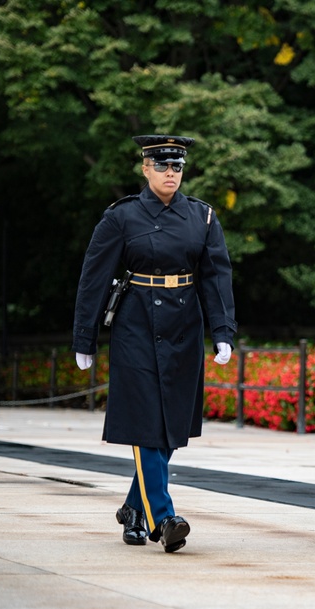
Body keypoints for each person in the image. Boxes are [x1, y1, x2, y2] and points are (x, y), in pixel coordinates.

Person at [72, 134, 237, 553]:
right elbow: (94, 279)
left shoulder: (201, 216)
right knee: (146, 421)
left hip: (184, 324)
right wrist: (85, 337)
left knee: (169, 429)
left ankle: (133, 509)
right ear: (145, 168)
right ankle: (163, 517)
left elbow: (216, 276)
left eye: (177, 167)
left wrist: (222, 332)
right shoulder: (121, 217)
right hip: (136, 325)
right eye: (162, 166)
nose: (170, 173)